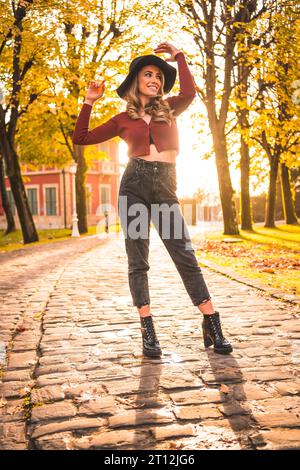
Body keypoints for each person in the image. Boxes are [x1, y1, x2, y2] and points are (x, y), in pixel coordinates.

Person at [72, 42, 233, 356]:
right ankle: (148, 331)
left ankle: (212, 322)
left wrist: (179, 56)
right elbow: (81, 137)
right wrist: (89, 102)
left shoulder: (170, 107)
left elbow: (191, 91)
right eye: (148, 74)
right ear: (136, 81)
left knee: (184, 255)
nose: (155, 80)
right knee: (138, 262)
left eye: (159, 76)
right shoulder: (122, 119)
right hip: (133, 186)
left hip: (165, 188)